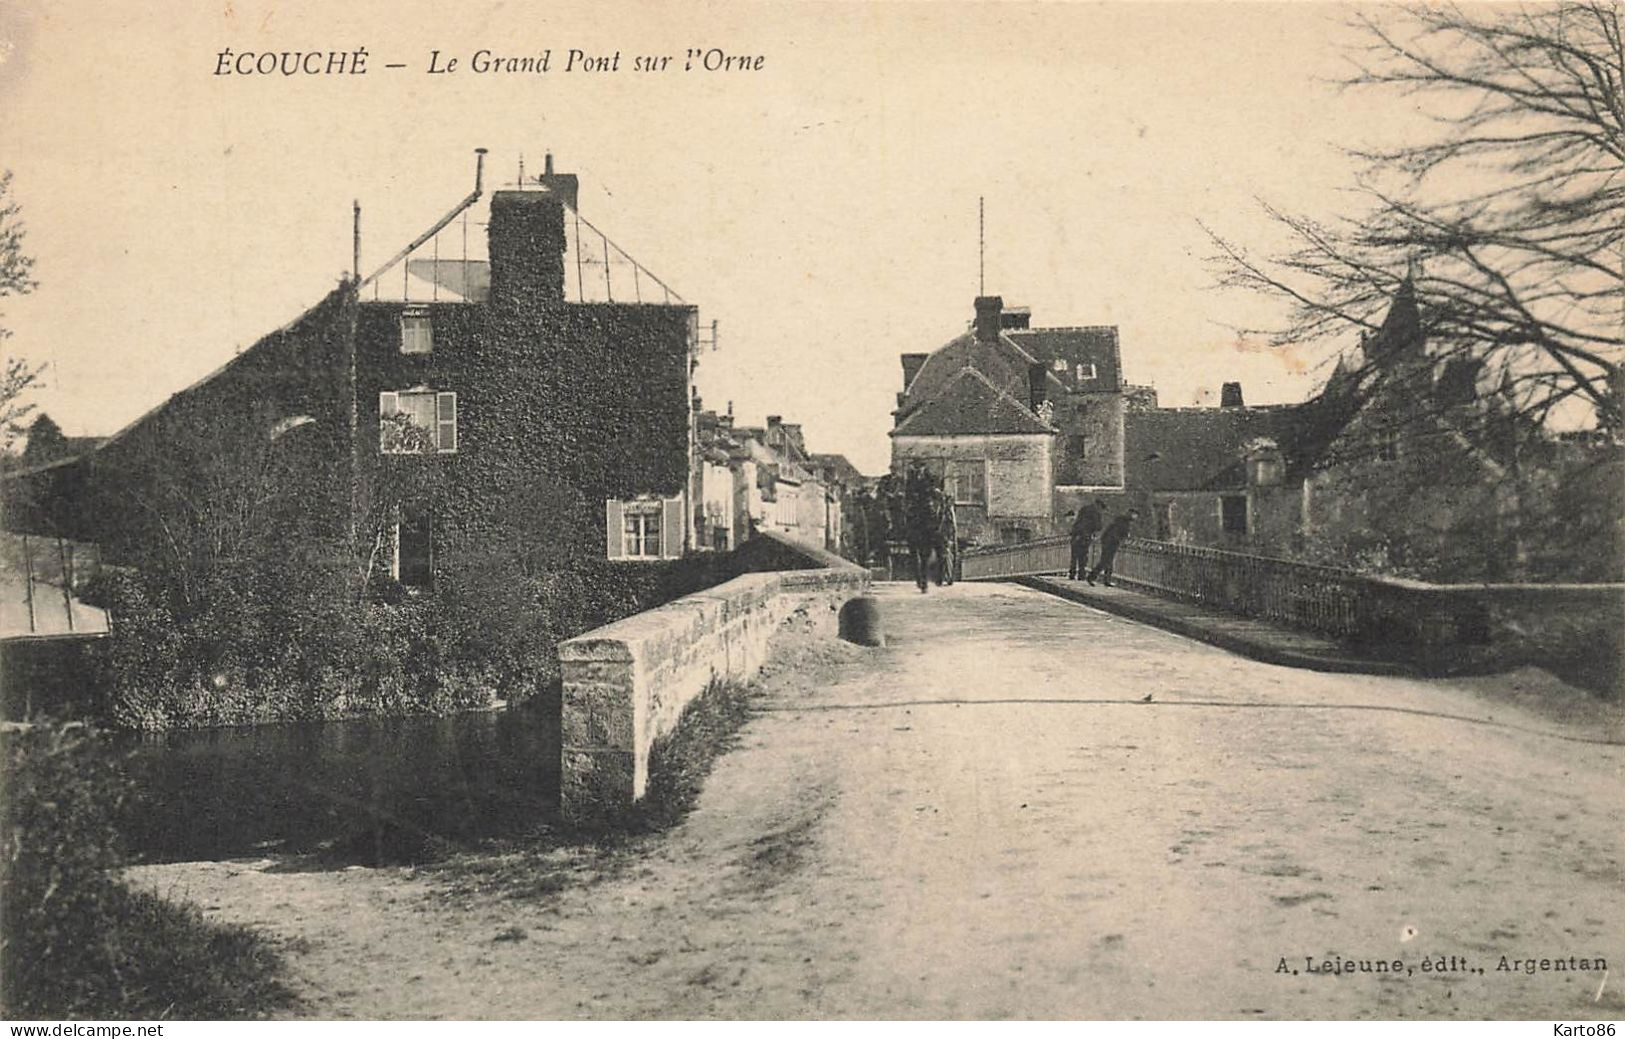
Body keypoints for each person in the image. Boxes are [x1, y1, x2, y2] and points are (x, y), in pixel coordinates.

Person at [1088, 507, 1138, 587]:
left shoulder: (1121, 520)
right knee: (1105, 561)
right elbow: (1119, 533)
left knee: (1108, 562)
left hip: (1109, 542)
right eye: (1135, 515)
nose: (1136, 517)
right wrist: (1122, 537)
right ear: (1131, 514)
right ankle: (1092, 577)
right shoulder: (1123, 522)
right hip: (1111, 543)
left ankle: (1106, 579)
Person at [1067, 499, 1104, 580]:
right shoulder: (1096, 513)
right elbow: (1098, 526)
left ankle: (1072, 573)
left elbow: (1078, 521)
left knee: (1074, 555)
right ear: (1099, 506)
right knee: (1083, 556)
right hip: (1085, 536)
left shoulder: (1084, 509)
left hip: (1076, 534)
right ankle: (1081, 574)